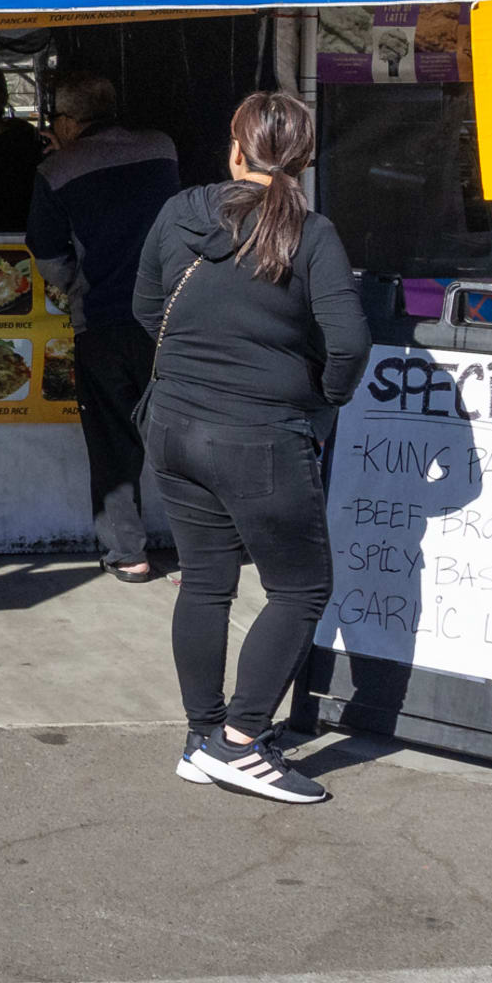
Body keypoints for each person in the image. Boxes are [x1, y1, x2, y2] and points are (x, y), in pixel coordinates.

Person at [133, 92, 370, 806]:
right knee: (300, 589)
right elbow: (351, 342)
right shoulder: (312, 231)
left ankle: (202, 737)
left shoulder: (180, 211)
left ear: (236, 149)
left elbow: (147, 308)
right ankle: (240, 741)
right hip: (260, 436)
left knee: (206, 581)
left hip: (172, 425)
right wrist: (323, 398)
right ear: (302, 159)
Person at [25, 73, 181, 582]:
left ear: (67, 121)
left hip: (104, 322)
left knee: (114, 441)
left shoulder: (56, 169)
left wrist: (76, 285)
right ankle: (206, 551)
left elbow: (48, 256)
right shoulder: (162, 148)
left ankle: (129, 555)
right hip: (173, 320)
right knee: (184, 433)